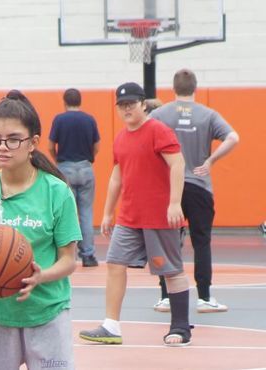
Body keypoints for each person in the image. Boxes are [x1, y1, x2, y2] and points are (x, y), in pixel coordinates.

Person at [0, 91, 81, 370]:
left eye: (13, 139)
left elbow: (68, 260)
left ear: (33, 143)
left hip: (48, 313)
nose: (3, 147)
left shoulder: (57, 193)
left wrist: (40, 276)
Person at [79, 82, 190, 347]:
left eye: (131, 103)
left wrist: (175, 203)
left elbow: (178, 164)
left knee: (171, 271)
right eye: (122, 105)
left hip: (159, 216)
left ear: (143, 104)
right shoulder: (120, 138)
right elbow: (117, 176)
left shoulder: (158, 131)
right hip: (129, 217)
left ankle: (181, 327)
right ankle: (111, 326)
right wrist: (107, 213)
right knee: (115, 263)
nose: (126, 108)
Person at [149, 69, 240, 313]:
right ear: (195, 88)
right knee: (201, 242)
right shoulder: (208, 115)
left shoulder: (159, 114)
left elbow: (146, 141)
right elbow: (233, 137)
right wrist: (211, 161)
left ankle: (166, 296)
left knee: (168, 241)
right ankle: (205, 297)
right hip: (199, 186)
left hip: (170, 188)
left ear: (174, 88)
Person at [48, 88, 101, 267]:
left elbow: (49, 146)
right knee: (86, 212)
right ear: (80, 101)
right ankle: (88, 255)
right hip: (85, 167)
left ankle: (65, 255)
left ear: (64, 102)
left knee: (65, 213)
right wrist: (89, 160)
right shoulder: (89, 119)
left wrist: (58, 162)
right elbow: (97, 146)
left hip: (65, 167)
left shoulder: (59, 120)